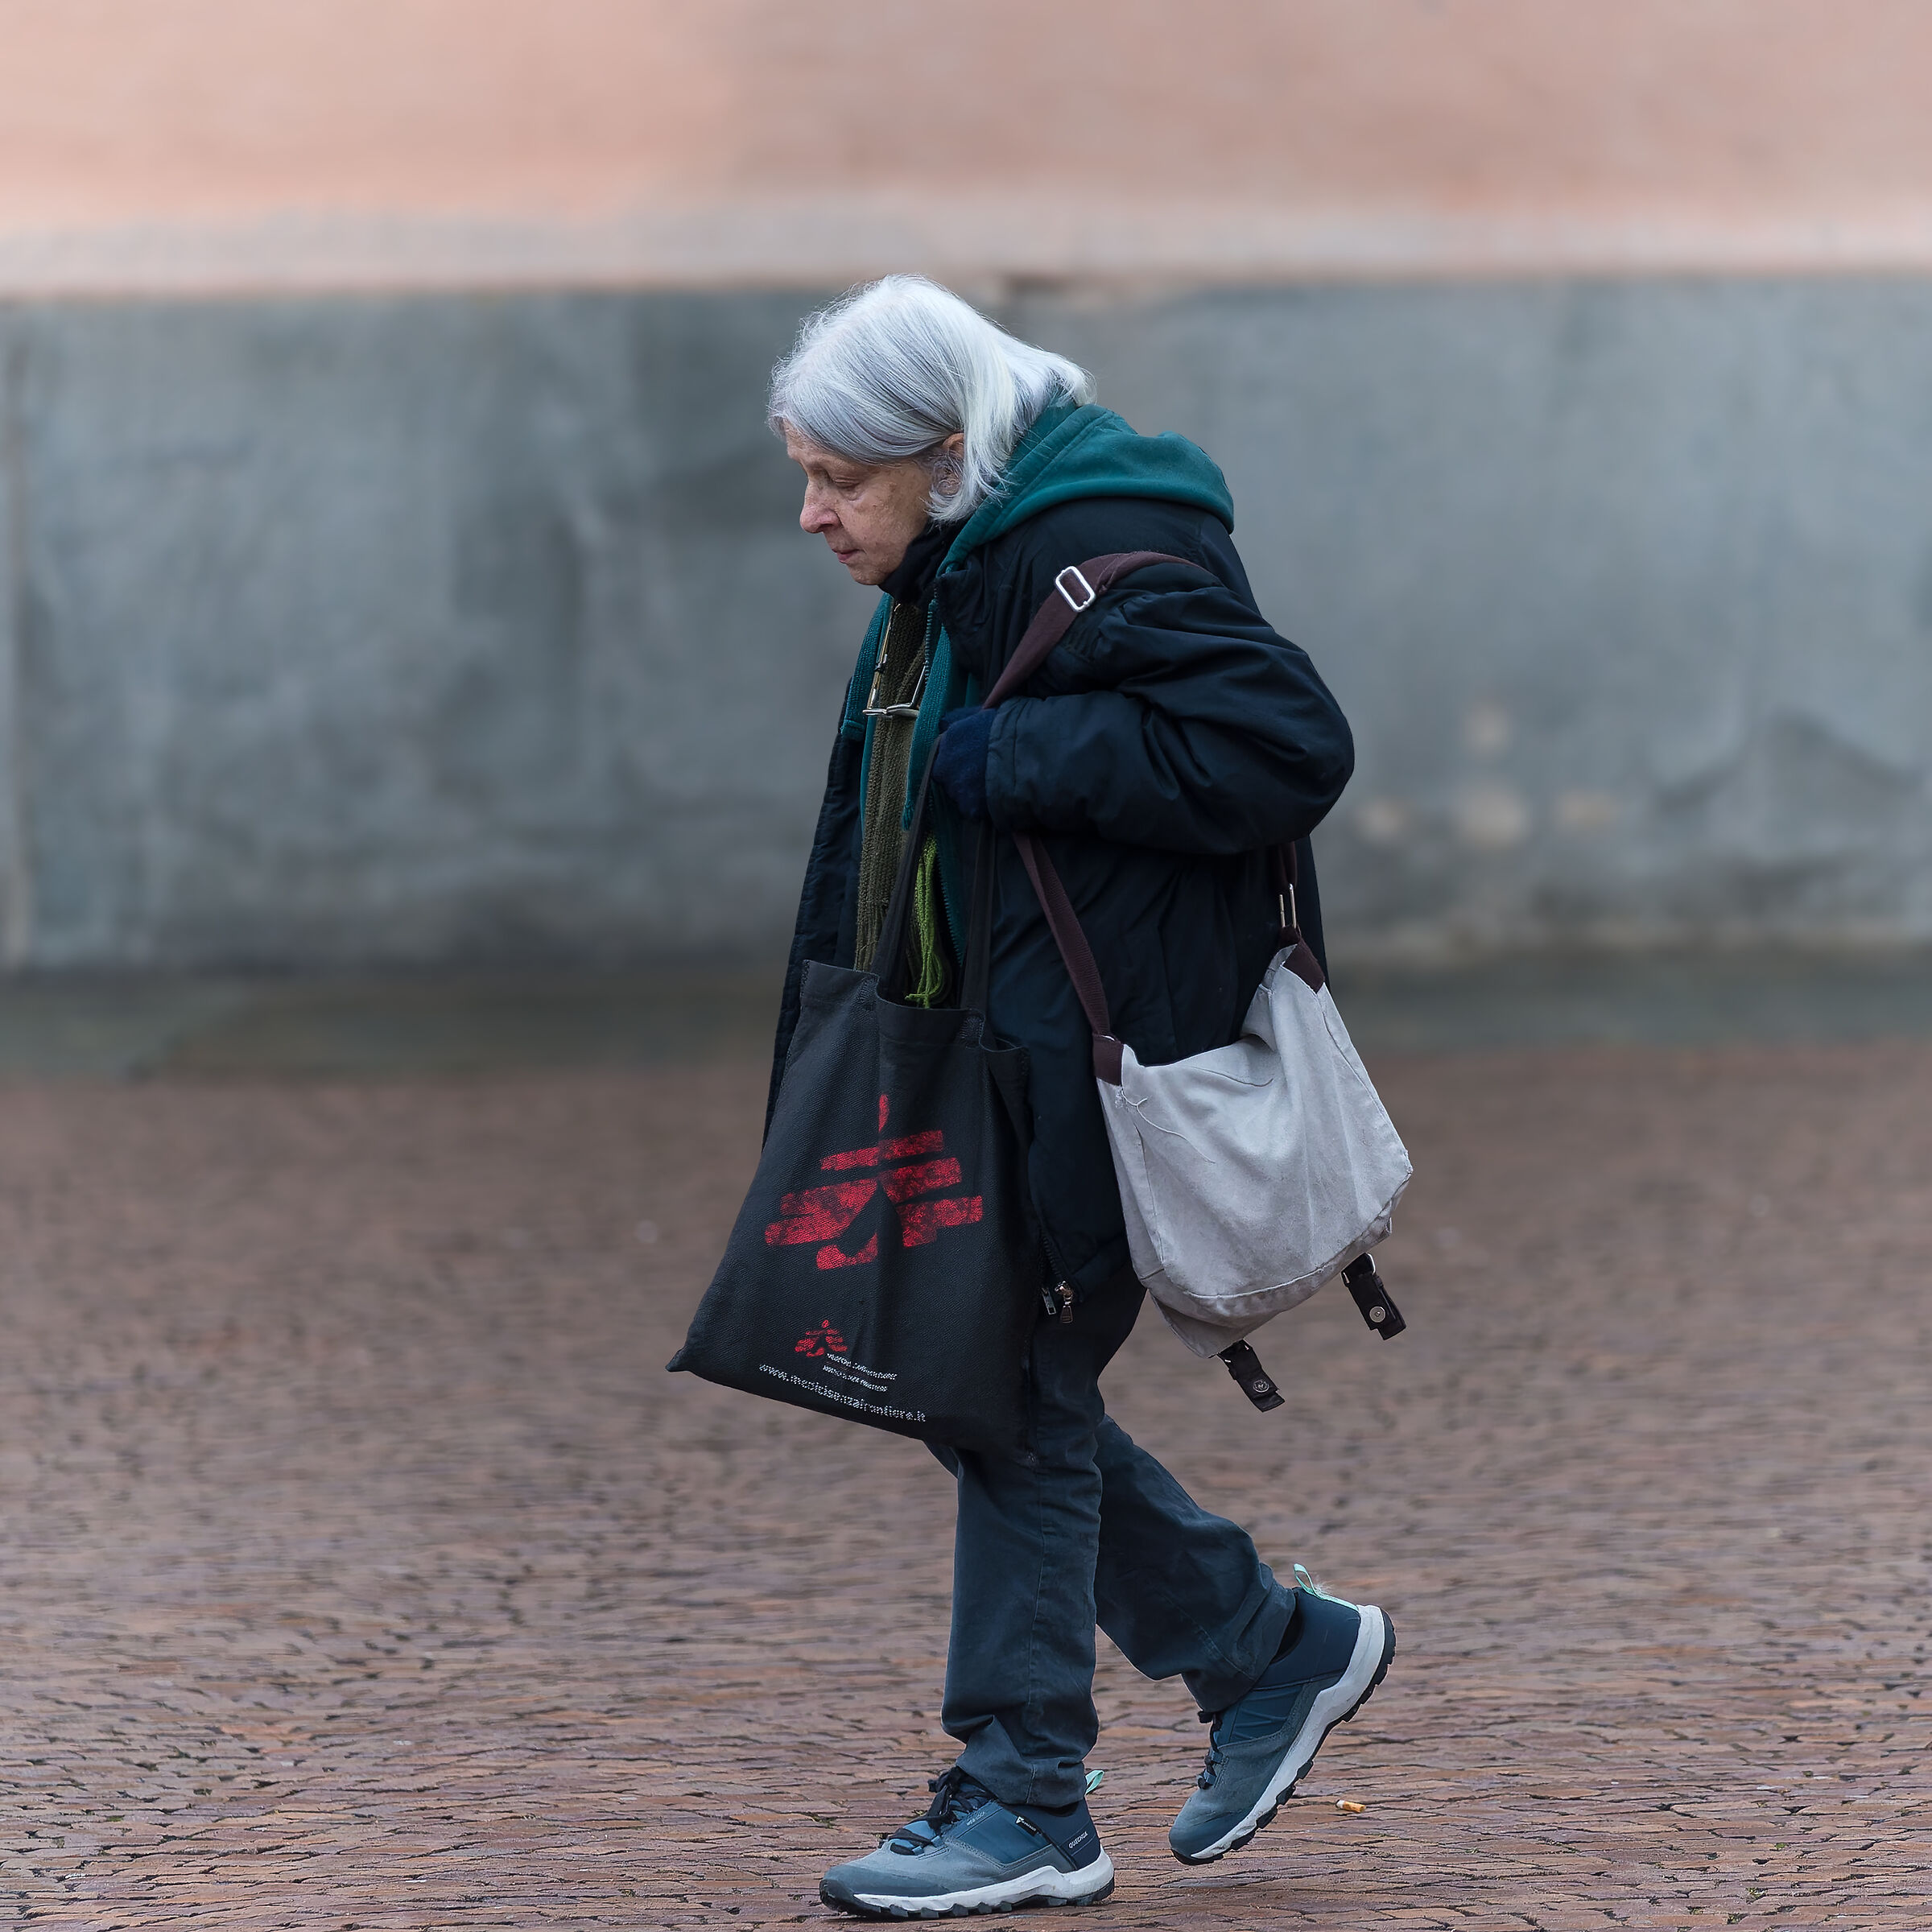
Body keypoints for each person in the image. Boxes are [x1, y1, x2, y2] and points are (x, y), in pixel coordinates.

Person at [766, 276, 1393, 1919]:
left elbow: (1284, 742)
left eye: (844, 478)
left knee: (1011, 1394)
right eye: (805, 474)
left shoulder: (1086, 545)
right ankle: (1264, 1649)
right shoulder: (970, 556)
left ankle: (1030, 1797)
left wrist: (1010, 757)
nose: (814, 514)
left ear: (949, 449)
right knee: (992, 1387)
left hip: (1103, 1072)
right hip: (1004, 1057)